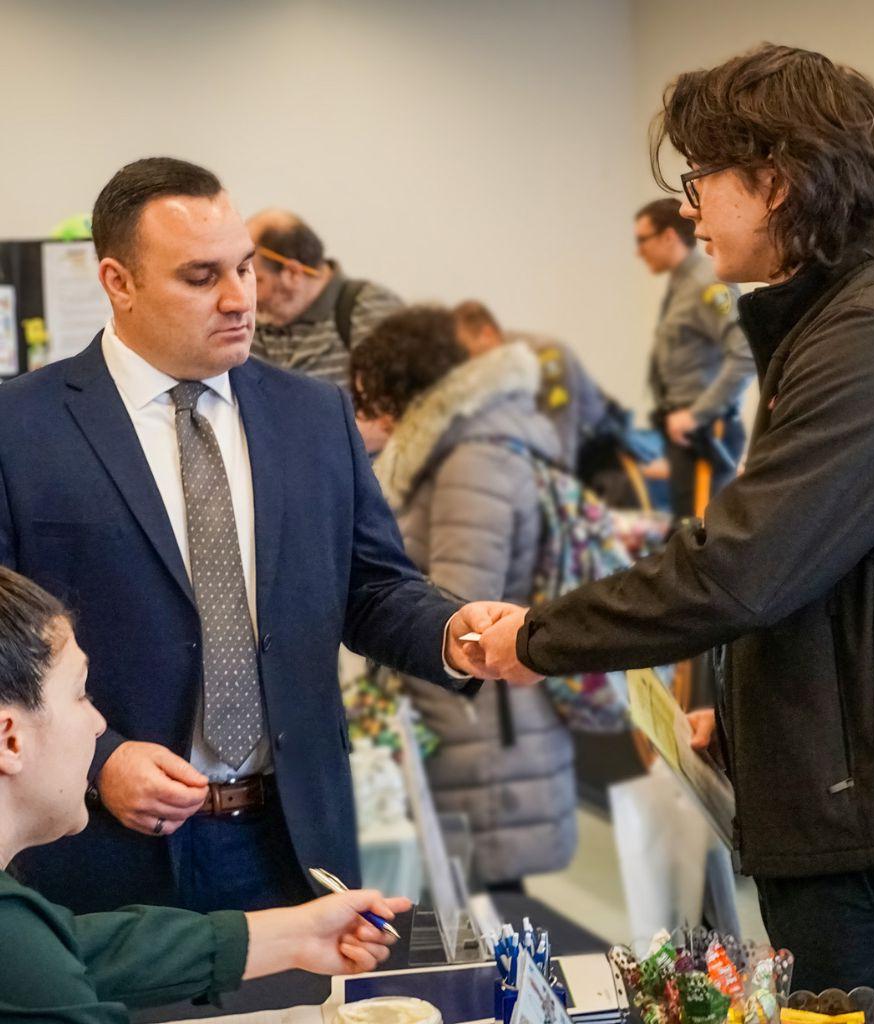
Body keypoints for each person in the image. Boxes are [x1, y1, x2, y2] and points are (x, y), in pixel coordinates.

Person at [477, 44, 874, 1024]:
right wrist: (741, 718)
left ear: (774, 181)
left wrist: (540, 636)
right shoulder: (837, 327)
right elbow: (837, 575)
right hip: (853, 795)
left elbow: (742, 567)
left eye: (699, 179)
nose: (689, 207)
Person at [0, 157, 529, 915]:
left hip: (290, 840)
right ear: (118, 282)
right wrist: (102, 760)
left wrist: (452, 627)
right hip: (99, 848)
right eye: (200, 276)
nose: (238, 298)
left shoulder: (313, 415)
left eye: (245, 269)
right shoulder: (22, 426)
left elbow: (371, 587)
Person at [0, 565, 407, 1022]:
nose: (98, 724)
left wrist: (295, 935)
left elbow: (76, 950)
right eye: (80, 695)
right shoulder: (16, 947)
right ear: (10, 740)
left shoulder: (24, 935)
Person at [351, 307, 577, 889]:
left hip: (481, 726)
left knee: (490, 918)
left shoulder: (472, 457)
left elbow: (466, 603)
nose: (364, 416)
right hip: (476, 718)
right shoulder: (467, 445)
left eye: (371, 398)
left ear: (404, 389)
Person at [635, 198, 754, 518]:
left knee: (698, 537)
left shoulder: (707, 283)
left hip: (704, 432)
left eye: (642, 240)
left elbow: (744, 356)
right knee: (682, 538)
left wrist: (697, 415)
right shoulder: (682, 282)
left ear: (669, 237)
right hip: (684, 438)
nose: (638, 251)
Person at [452, 299, 615, 472]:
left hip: (597, 457)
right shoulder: (496, 369)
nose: (466, 368)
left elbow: (561, 451)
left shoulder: (548, 355)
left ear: (487, 334)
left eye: (467, 354)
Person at [247, 208, 402, 387]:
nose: (245, 294)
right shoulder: (246, 322)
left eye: (256, 280)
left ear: (292, 273)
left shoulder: (371, 311)